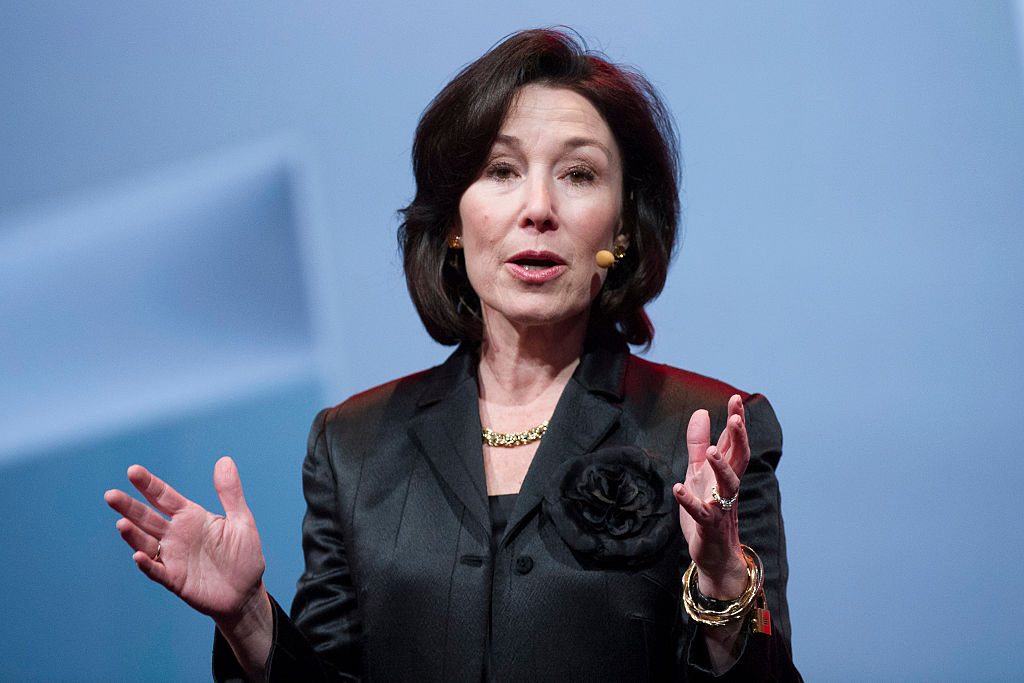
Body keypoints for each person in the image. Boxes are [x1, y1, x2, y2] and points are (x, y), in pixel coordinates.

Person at [105, 28, 800, 681]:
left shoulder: (710, 436)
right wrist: (248, 619)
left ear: (620, 229)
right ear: (455, 224)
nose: (538, 208)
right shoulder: (354, 446)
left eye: (578, 174)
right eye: (501, 169)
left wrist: (723, 584)